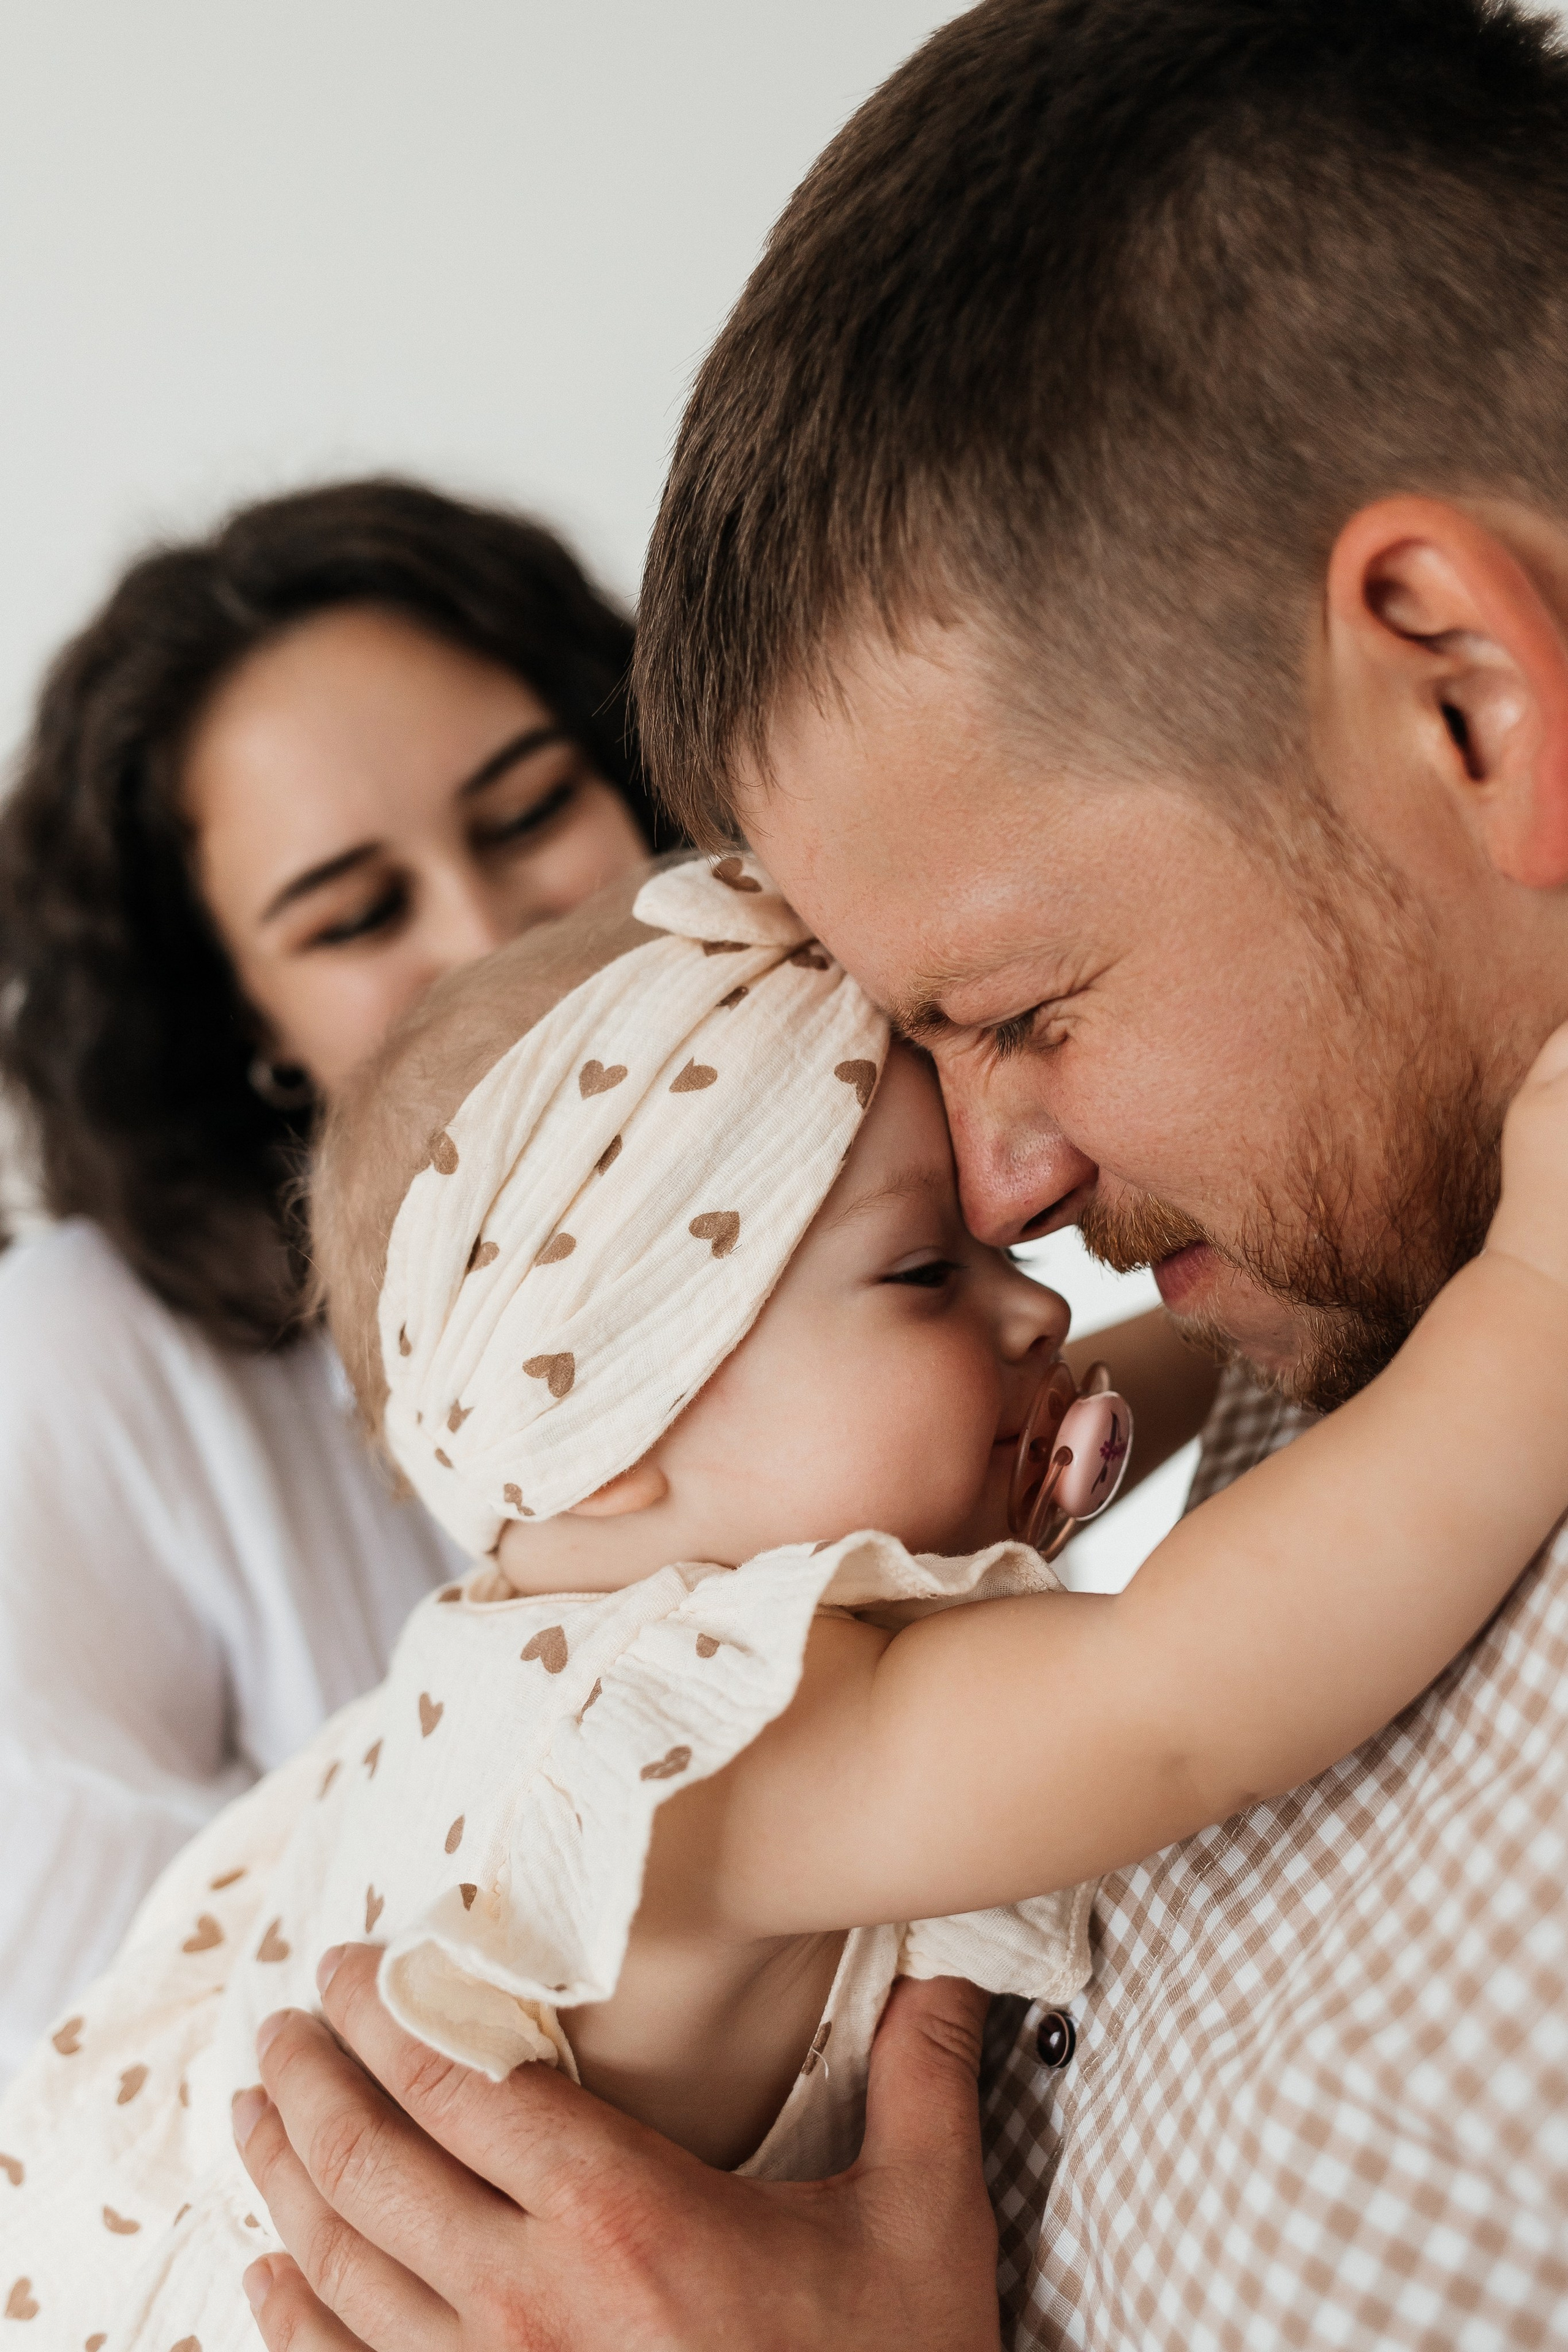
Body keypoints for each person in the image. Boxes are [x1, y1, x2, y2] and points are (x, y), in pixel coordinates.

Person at [230, 3, 1568, 2347]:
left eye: (1026, 1005)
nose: (1026, 1198)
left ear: (1464, 691)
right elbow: (1162, 1683)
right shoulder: (1354, 1240)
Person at [5, 853, 1567, 2346]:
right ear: (611, 1430)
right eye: (917, 1277)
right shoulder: (691, 1747)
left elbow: (1077, 1402)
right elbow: (1185, 1697)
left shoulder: (534, 1621)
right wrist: (1529, 1298)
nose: (1033, 1302)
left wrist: (1259, 1294)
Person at [0, 477, 671, 2083]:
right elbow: (72, 2060)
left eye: (527, 816)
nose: (497, 930)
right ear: (243, 1028)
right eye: (358, 913)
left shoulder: (811, 1174)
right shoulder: (85, 1364)